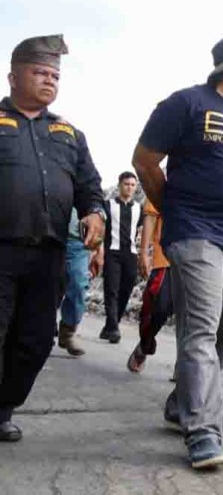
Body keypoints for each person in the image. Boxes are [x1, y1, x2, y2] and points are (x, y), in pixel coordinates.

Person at [132, 32, 223, 469]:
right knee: (200, 332)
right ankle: (203, 432)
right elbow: (144, 159)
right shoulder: (186, 104)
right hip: (196, 233)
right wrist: (173, 208)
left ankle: (181, 402)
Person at [0, 35, 105, 443]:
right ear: (12, 76)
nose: (49, 81)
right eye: (40, 72)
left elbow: (89, 186)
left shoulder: (69, 134)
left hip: (48, 256)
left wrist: (95, 212)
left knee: (35, 341)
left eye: (55, 75)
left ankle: (3, 406)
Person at [126, 198, 172, 373]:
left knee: (193, 316)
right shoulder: (170, 177)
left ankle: (186, 366)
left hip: (202, 261)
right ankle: (145, 344)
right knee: (158, 307)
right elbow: (151, 216)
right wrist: (144, 252)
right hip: (167, 258)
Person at [99, 171, 142, 344]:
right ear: (119, 185)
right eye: (126, 184)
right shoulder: (108, 205)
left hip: (130, 254)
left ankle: (111, 325)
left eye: (132, 185)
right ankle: (113, 329)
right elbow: (101, 229)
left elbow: (140, 229)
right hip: (112, 252)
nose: (129, 188)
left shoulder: (139, 208)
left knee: (126, 289)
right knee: (112, 289)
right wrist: (98, 251)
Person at [58, 210, 93, 357]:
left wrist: (99, 248)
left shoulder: (84, 187)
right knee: (46, 287)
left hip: (77, 242)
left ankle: (68, 332)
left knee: (78, 285)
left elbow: (96, 209)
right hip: (48, 237)